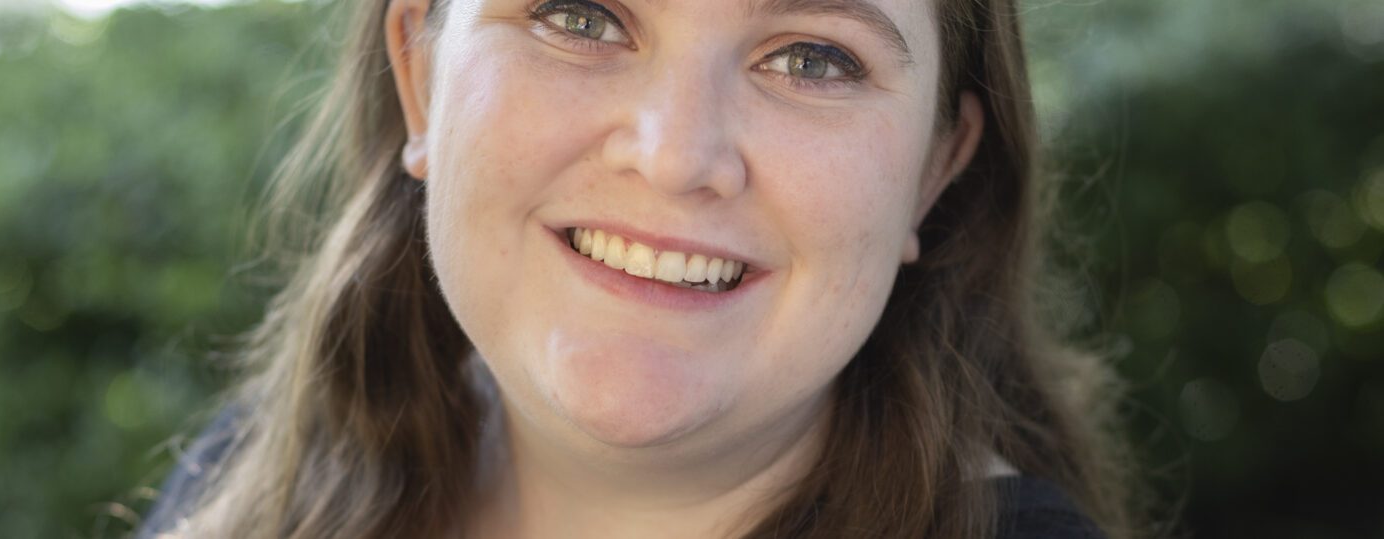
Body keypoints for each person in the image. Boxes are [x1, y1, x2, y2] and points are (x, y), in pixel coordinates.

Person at [139, 0, 1140, 537]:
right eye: (579, 15)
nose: (676, 154)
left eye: (811, 58)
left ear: (933, 167)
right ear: (423, 76)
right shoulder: (250, 487)